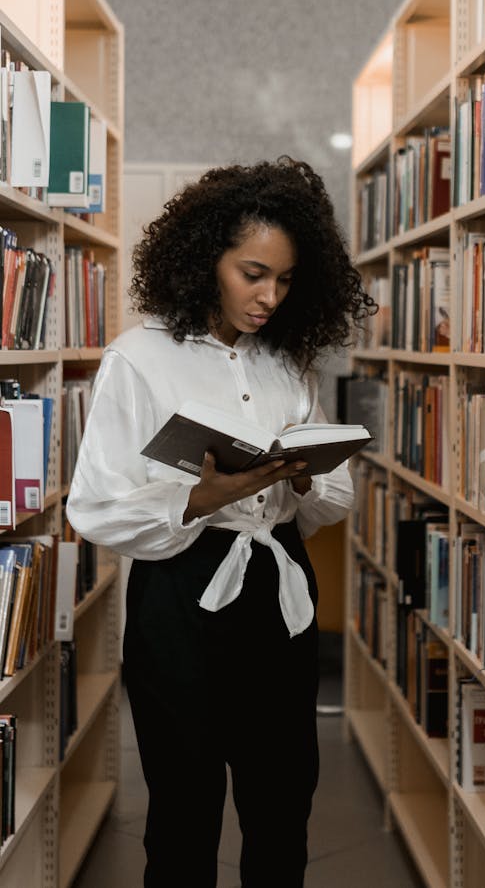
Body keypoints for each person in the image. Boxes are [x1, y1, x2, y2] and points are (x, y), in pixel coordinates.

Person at [66, 157, 375, 888]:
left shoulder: (285, 367)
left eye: (287, 279)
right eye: (252, 273)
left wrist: (300, 477)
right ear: (207, 259)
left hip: (280, 589)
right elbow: (97, 507)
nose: (270, 297)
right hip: (181, 595)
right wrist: (205, 497)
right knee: (183, 810)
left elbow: (334, 497)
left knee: (282, 804)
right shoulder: (139, 358)